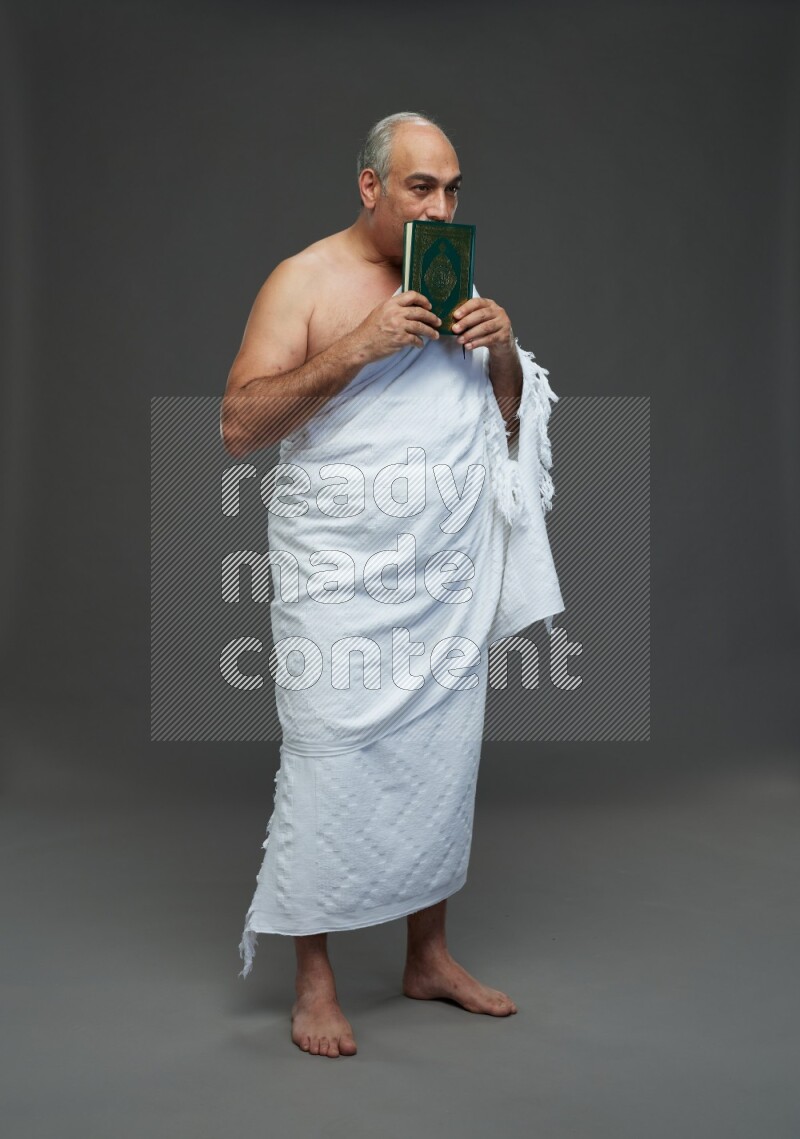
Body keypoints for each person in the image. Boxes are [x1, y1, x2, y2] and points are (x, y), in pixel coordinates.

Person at [221, 112, 564, 1058]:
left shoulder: (452, 277)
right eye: (422, 189)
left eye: (454, 190)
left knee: (439, 757)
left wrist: (501, 351)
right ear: (371, 187)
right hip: (340, 571)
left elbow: (499, 423)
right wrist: (362, 346)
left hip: (439, 574)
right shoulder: (304, 280)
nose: (442, 207)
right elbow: (239, 424)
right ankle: (316, 977)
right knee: (329, 755)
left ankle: (428, 956)